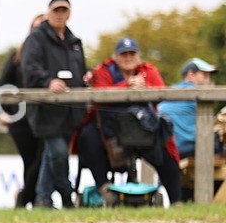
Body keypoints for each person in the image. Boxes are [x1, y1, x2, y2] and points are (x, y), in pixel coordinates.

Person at [75, 37, 182, 203]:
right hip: (109, 129)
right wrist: (127, 85)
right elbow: (101, 93)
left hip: (143, 127)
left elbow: (160, 92)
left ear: (138, 56)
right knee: (87, 137)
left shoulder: (148, 70)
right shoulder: (103, 70)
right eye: (123, 54)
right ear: (116, 57)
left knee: (166, 145)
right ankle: (104, 188)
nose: (128, 58)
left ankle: (176, 202)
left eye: (132, 54)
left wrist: (144, 88)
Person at [20, 0, 86, 208]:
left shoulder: (74, 42)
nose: (59, 15)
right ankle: (67, 195)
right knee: (57, 153)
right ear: (48, 12)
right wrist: (48, 81)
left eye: (63, 11)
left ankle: (43, 199)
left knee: (52, 156)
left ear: (69, 14)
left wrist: (86, 79)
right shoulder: (36, 39)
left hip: (70, 110)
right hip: (45, 111)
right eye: (56, 10)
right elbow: (29, 68)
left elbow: (80, 70)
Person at [0, 14, 46, 208]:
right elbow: (2, 85)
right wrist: (4, 112)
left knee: (43, 158)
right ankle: (30, 199)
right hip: (21, 120)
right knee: (31, 160)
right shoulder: (17, 56)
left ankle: (27, 197)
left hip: (45, 119)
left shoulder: (53, 55)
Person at [158, 58, 218, 158]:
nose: (208, 80)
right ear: (191, 75)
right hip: (188, 150)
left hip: (166, 150)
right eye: (204, 75)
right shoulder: (198, 95)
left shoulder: (170, 92)